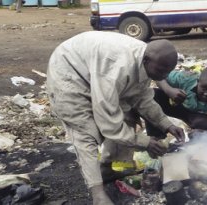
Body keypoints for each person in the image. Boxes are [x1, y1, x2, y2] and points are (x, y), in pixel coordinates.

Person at [46, 31, 185, 205]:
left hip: (94, 71)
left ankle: (107, 169)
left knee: (127, 114)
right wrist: (145, 142)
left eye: (168, 72)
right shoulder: (117, 68)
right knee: (85, 132)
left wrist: (166, 125)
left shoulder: (146, 59)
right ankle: (98, 194)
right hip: (68, 72)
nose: (164, 77)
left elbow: (142, 98)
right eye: (161, 71)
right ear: (147, 60)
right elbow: (108, 122)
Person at [145, 66, 207, 138]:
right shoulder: (187, 78)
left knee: (200, 123)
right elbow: (159, 77)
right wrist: (169, 90)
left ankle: (199, 134)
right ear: (198, 82)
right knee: (153, 95)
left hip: (201, 119)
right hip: (182, 109)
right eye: (204, 88)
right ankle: (155, 137)